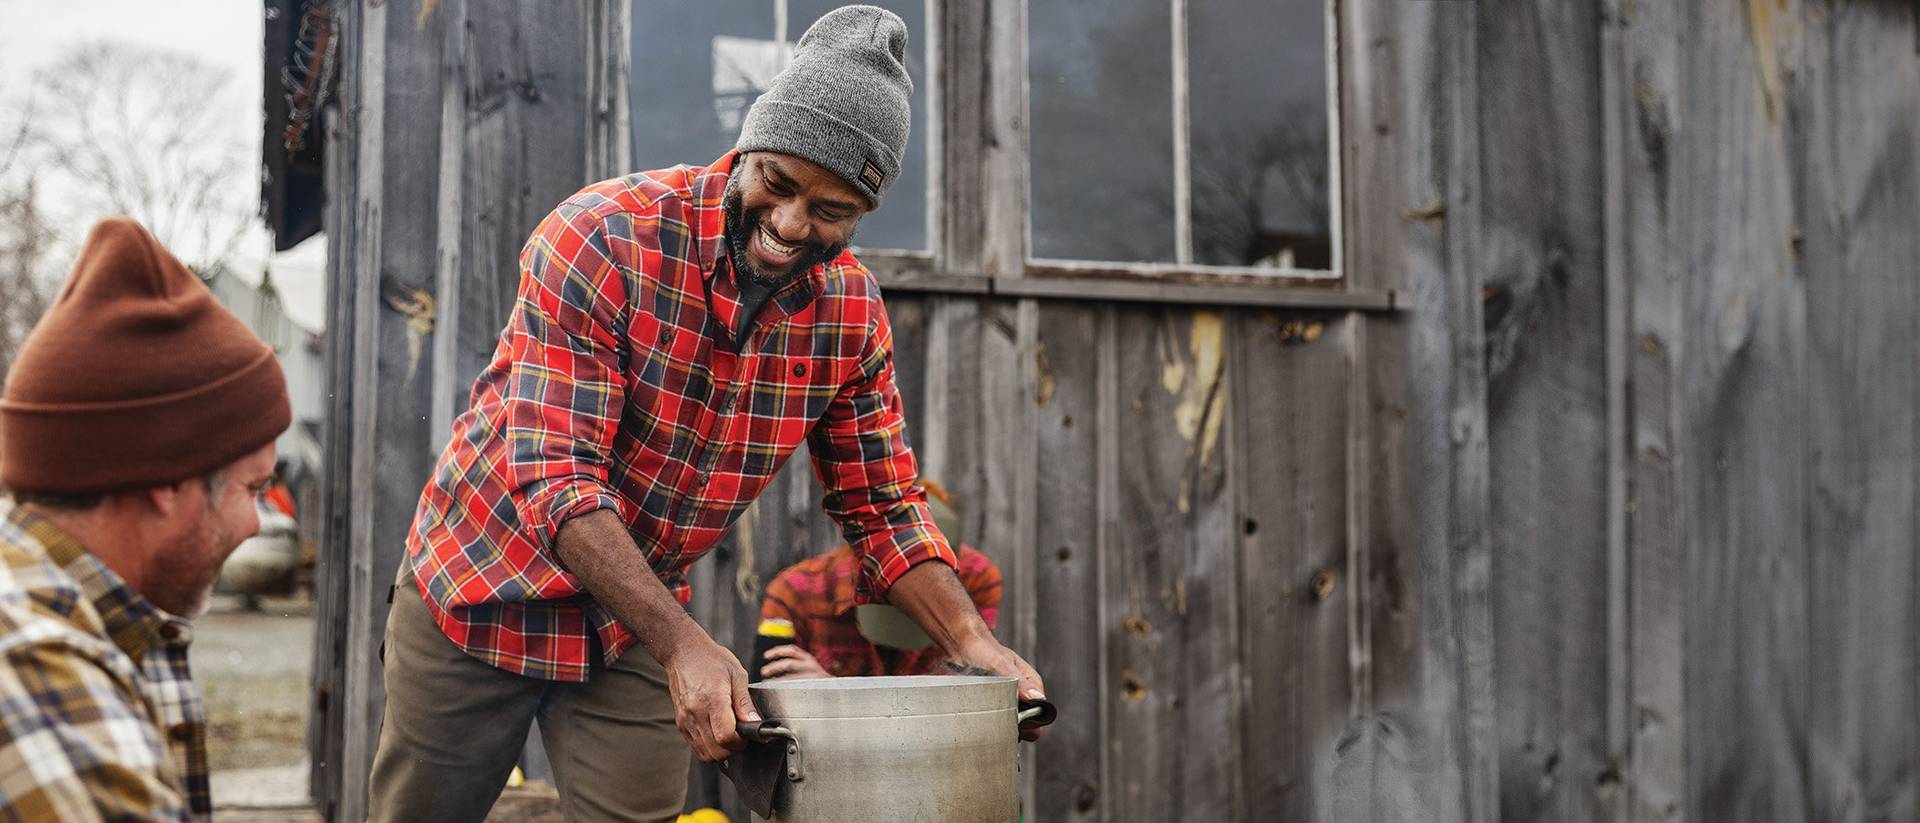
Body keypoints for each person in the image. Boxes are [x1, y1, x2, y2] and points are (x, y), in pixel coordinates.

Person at [369, 7, 1045, 822]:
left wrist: (975, 647)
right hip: (480, 592)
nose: (792, 225)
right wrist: (685, 642)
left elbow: (885, 511)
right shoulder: (602, 237)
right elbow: (559, 480)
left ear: (865, 209)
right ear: (746, 147)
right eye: (780, 182)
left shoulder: (850, 314)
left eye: (832, 209)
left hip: (624, 632)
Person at [0, 218, 290, 821]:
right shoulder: (45, 691)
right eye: (252, 489)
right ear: (167, 482)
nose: (258, 524)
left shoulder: (60, 605)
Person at [757, 483, 1001, 680]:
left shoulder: (977, 579)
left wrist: (832, 695)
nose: (905, 599)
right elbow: (764, 715)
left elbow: (963, 699)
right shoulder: (794, 592)